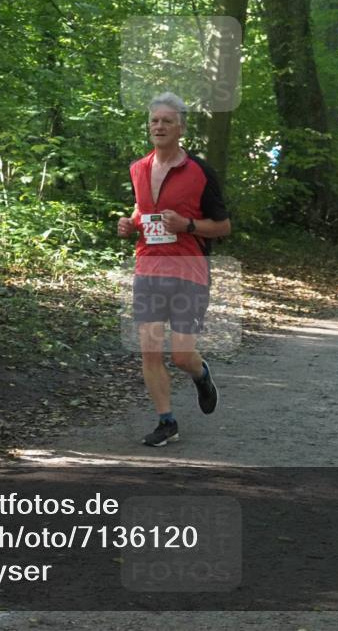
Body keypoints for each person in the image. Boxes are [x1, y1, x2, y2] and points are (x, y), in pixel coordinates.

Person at [117, 92, 230, 447]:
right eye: (154, 121)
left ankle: (201, 374)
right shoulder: (138, 168)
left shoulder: (200, 172)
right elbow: (143, 209)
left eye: (167, 121)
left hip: (188, 270)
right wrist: (130, 223)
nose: (159, 126)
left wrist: (188, 226)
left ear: (181, 127)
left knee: (181, 355)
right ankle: (167, 421)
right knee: (149, 349)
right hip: (148, 267)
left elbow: (223, 226)